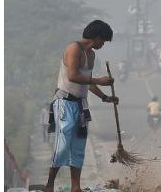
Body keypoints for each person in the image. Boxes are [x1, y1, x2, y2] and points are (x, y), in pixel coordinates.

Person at [44, 20, 118, 192]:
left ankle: (76, 187)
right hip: (64, 103)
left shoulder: (90, 55)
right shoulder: (74, 49)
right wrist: (99, 80)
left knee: (78, 146)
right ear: (97, 37)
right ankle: (49, 185)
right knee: (62, 146)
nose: (103, 44)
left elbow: (88, 83)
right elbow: (73, 76)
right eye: (104, 41)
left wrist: (105, 97)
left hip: (80, 105)